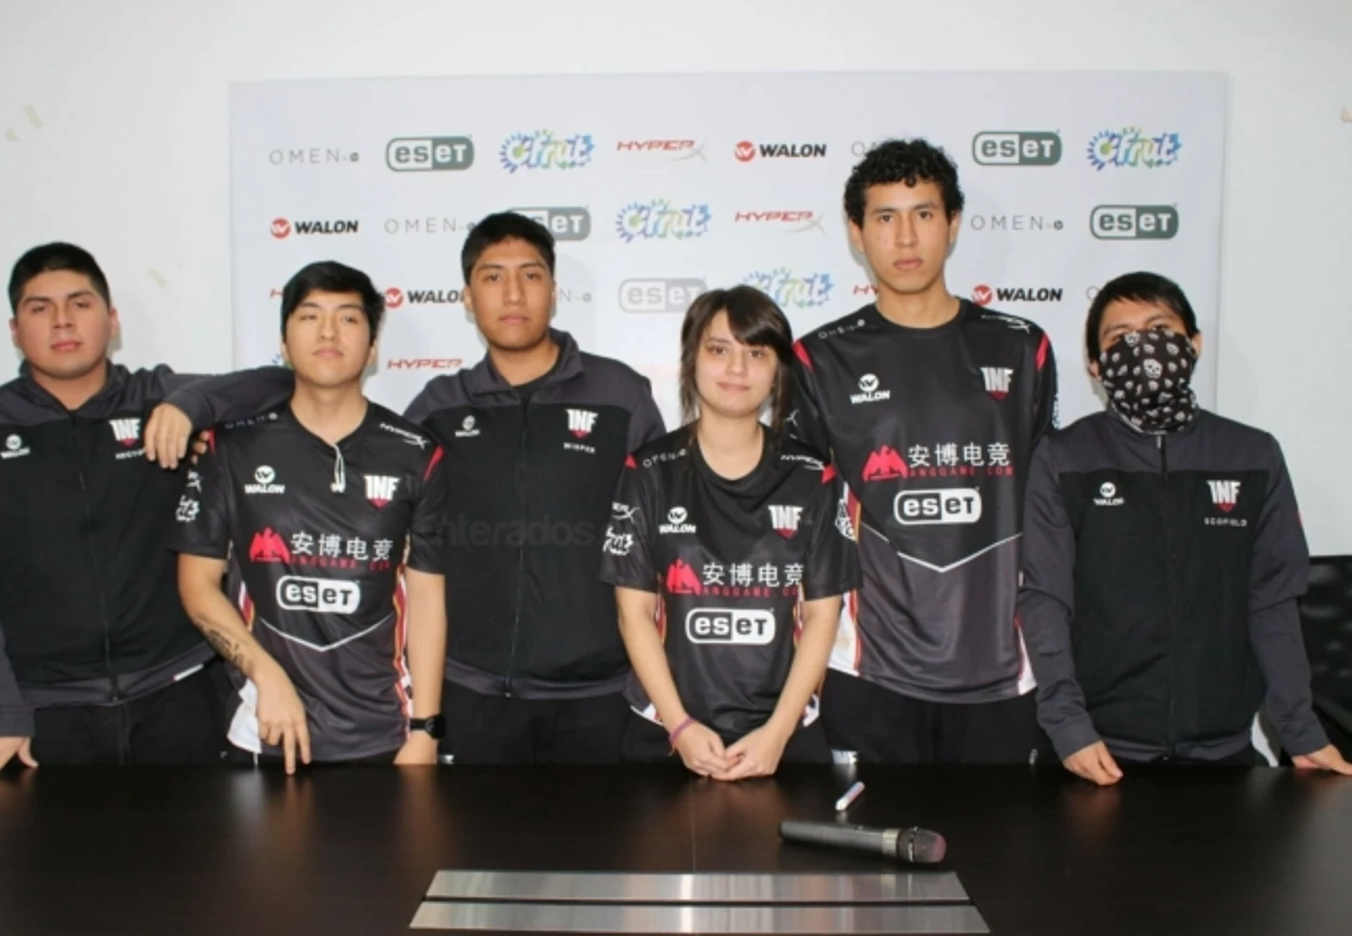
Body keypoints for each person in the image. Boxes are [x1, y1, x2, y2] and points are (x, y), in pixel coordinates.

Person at [0, 242, 294, 781]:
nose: (62, 321)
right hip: (43, 716)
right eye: (40, 308)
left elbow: (282, 384)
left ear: (112, 319)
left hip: (177, 698)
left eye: (80, 304)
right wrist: (0, 706)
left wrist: (191, 407)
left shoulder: (156, 398)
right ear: (14, 330)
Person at [1018, 271, 1352, 782]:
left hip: (1224, 755)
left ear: (1193, 344)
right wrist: (1068, 727)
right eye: (1121, 337)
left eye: (1160, 329)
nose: (1143, 349)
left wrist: (1300, 731)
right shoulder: (1065, 458)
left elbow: (1273, 602)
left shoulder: (1252, 455)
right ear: (1095, 365)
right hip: (1094, 755)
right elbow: (1045, 599)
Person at [790, 138, 1058, 764]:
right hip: (869, 675)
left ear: (954, 224)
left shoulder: (1022, 348)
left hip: (1003, 673)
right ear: (857, 232)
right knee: (869, 835)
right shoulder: (820, 358)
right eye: (885, 217)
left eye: (924, 214)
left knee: (1001, 834)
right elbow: (801, 529)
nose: (906, 237)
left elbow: (1049, 514)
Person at [403, 212, 666, 763]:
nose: (513, 293)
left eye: (530, 275)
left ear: (554, 290)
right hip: (471, 692)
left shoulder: (621, 395)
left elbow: (665, 535)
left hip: (602, 696)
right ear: (467, 297)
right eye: (492, 277)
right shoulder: (438, 407)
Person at [173, 261, 446, 772]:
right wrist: (266, 675)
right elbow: (197, 585)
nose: (328, 331)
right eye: (309, 316)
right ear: (283, 342)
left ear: (373, 347)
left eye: (348, 318)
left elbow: (427, 597)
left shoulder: (417, 453)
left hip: (384, 734)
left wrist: (425, 728)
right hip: (263, 729)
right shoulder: (230, 448)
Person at [601, 287, 859, 778]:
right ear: (691, 361)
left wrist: (777, 733)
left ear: (778, 370)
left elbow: (822, 616)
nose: (737, 369)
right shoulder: (649, 471)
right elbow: (633, 613)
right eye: (719, 350)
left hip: (785, 738)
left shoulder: (813, 475)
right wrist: (680, 727)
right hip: (663, 733)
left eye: (756, 353)